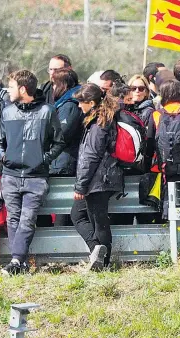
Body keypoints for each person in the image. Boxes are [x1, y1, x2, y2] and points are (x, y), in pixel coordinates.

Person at [0, 70, 65, 275]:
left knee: (27, 219)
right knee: (13, 219)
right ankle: (19, 262)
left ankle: (16, 261)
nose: (8, 90)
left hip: (36, 178)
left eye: (11, 86)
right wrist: (3, 157)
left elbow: (59, 142)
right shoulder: (7, 112)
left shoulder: (47, 111)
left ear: (23, 89)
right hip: (10, 175)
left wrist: (42, 160)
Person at [71, 83, 124, 271]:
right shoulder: (104, 119)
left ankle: (103, 263)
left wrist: (80, 186)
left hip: (99, 179)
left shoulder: (98, 123)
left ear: (91, 102)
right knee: (87, 216)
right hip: (104, 177)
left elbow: (91, 156)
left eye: (81, 102)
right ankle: (97, 253)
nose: (79, 106)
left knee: (94, 219)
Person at [49, 68, 83, 176]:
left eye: (54, 84)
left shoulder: (69, 106)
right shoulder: (64, 104)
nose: (52, 88)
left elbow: (62, 134)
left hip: (64, 162)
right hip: (61, 160)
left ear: (61, 85)